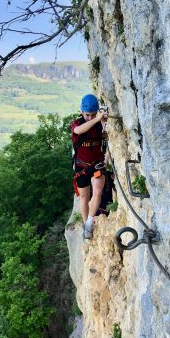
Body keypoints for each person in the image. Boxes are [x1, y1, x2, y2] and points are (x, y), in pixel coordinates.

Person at [71, 94, 108, 240]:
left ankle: (89, 223)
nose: (90, 118)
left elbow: (107, 135)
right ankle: (86, 223)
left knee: (97, 192)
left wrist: (103, 122)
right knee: (84, 197)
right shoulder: (76, 124)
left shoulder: (99, 123)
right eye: (87, 115)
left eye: (93, 115)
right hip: (81, 167)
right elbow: (79, 131)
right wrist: (97, 119)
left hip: (96, 165)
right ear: (81, 112)